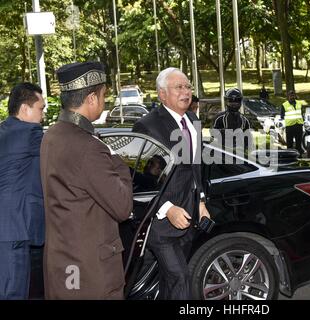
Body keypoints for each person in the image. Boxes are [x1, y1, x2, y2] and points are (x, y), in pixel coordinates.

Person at [40, 61, 133, 299]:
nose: (104, 101)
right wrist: (118, 162)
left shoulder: (52, 134)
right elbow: (122, 206)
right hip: (89, 272)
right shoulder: (88, 147)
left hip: (63, 262)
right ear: (91, 98)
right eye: (103, 95)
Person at [132, 67, 210, 300]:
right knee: (180, 277)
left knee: (168, 281)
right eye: (179, 87)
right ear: (162, 94)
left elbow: (196, 168)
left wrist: (201, 201)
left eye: (188, 86)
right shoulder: (147, 126)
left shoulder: (193, 121)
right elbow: (141, 181)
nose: (186, 91)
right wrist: (167, 209)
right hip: (159, 221)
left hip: (188, 218)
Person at [0, 83, 45, 299]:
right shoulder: (29, 133)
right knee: (13, 294)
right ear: (25, 109)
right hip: (13, 230)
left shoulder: (5, 130)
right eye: (41, 108)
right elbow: (64, 148)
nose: (43, 115)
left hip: (8, 228)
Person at [213, 88, 251, 153]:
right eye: (231, 101)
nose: (234, 104)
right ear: (226, 101)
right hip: (223, 152)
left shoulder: (244, 120)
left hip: (240, 153)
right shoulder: (219, 118)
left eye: (237, 101)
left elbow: (248, 138)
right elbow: (213, 135)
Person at [280, 90, 305, 157]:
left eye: (293, 95)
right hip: (290, 126)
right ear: (288, 96)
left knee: (299, 142)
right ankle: (289, 156)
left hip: (298, 125)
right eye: (290, 95)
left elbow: (302, 114)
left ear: (295, 96)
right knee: (289, 143)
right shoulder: (284, 105)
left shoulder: (299, 103)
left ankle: (299, 156)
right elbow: (282, 116)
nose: (292, 97)